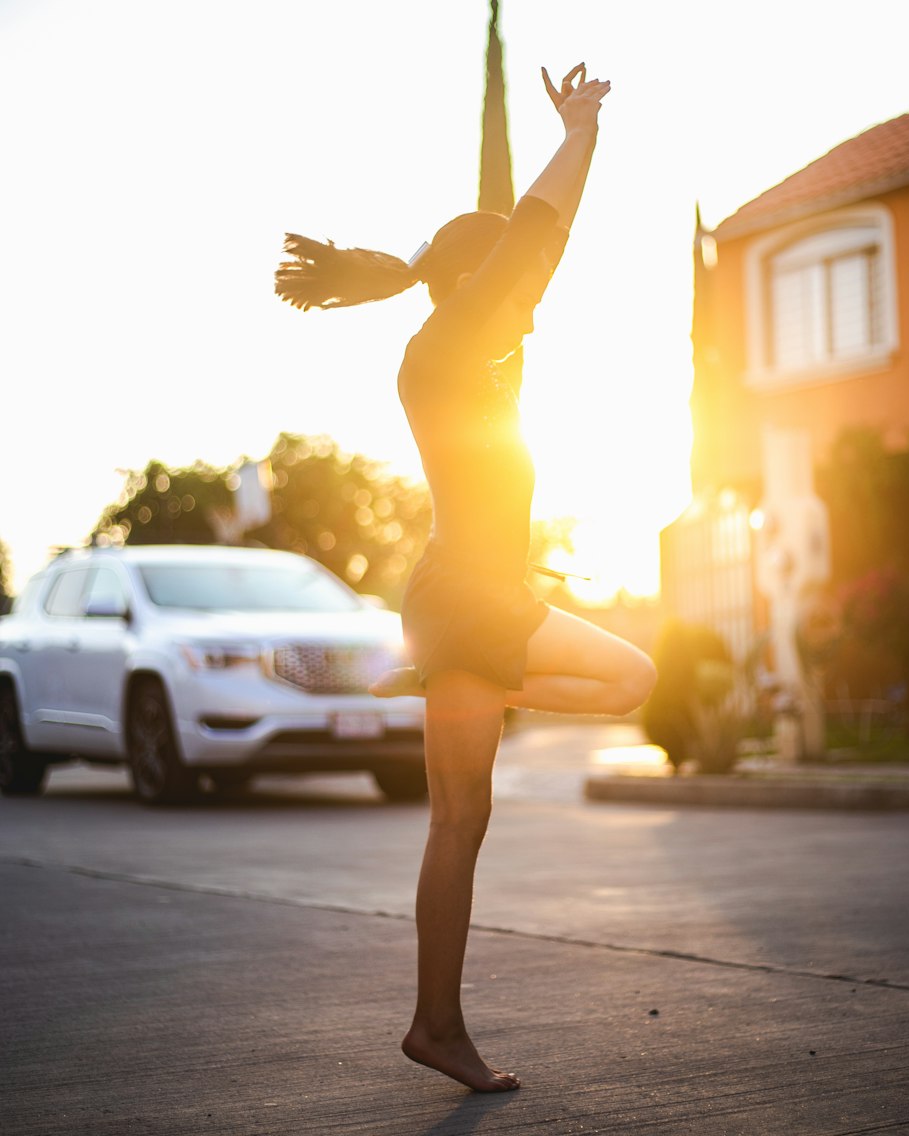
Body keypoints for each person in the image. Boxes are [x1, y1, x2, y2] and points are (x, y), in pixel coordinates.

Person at [276, 63, 656, 1093]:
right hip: (474, 600)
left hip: (459, 607)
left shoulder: (471, 352)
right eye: (512, 292)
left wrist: (401, 261)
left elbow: (508, 255)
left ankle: (434, 1025)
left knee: (461, 818)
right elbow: (539, 233)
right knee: (628, 678)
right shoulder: (448, 344)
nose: (531, 307)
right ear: (478, 286)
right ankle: (436, 1022)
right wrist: (580, 129)